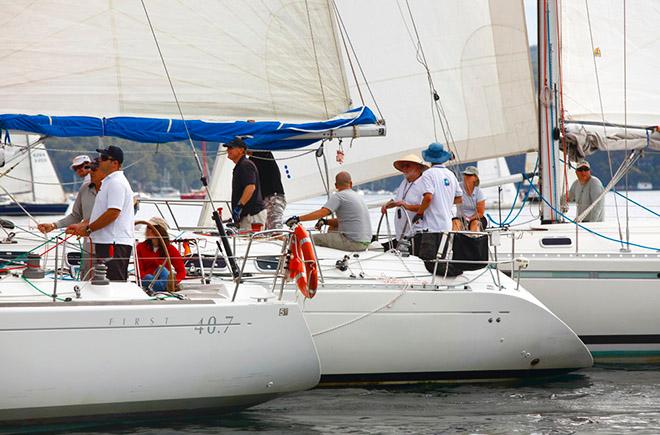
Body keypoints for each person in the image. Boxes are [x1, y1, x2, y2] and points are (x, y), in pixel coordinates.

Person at [67, 146, 135, 281]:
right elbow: (103, 213)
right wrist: (84, 226)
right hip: (107, 243)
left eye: (104, 158)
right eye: (99, 157)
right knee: (104, 283)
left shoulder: (116, 183)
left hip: (113, 244)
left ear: (115, 163)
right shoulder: (108, 182)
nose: (99, 161)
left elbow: (113, 213)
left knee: (114, 284)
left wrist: (88, 229)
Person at [39, 158, 106, 279]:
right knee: (86, 279)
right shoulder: (85, 188)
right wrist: (54, 225)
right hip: (89, 245)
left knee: (110, 282)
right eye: (88, 169)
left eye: (92, 169)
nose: (88, 172)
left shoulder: (113, 188)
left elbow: (116, 214)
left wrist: (87, 225)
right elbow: (76, 215)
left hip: (110, 244)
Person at [285, 171, 372, 251]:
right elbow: (347, 220)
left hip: (353, 243)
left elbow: (322, 212)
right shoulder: (357, 196)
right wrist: (325, 221)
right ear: (351, 183)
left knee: (307, 239)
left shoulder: (339, 196)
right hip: (365, 242)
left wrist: (298, 219)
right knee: (332, 228)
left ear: (336, 185)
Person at [412, 142, 463, 273]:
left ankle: (454, 272)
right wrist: (444, 201)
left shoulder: (428, 174)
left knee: (427, 262)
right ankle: (451, 274)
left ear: (429, 158)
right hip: (446, 225)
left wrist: (420, 212)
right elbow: (459, 198)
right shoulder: (451, 175)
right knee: (441, 258)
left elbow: (428, 197)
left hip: (432, 227)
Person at [381, 154, 428, 244]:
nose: (405, 168)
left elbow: (426, 207)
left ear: (418, 167)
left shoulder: (424, 184)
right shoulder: (404, 182)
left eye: (408, 165)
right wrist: (387, 205)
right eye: (403, 166)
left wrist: (406, 206)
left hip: (416, 233)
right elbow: (396, 200)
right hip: (402, 234)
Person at [224, 138, 267, 230]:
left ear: (241, 150)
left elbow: (250, 187)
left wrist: (239, 207)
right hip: (248, 215)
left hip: (252, 215)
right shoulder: (241, 165)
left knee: (251, 243)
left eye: (231, 148)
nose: (227, 150)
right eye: (227, 148)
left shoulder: (245, 165)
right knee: (247, 242)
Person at [135, 217, 186, 292]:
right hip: (147, 279)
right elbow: (139, 271)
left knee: (162, 269)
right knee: (148, 277)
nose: (148, 230)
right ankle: (165, 287)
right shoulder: (140, 247)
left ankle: (164, 285)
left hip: (164, 277)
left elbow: (181, 271)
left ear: (160, 230)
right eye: (148, 227)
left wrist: (174, 282)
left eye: (151, 227)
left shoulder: (170, 249)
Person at [249, 151, 286, 229]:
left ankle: (281, 238)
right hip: (267, 198)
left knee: (275, 230)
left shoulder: (263, 153)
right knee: (267, 231)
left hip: (273, 198)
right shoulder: (252, 159)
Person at [455, 166, 487, 231]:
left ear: (475, 178)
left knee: (475, 224)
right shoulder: (458, 187)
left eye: (469, 175)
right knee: (455, 223)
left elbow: (480, 212)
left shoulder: (479, 192)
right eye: (465, 174)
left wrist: (469, 219)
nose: (466, 177)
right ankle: (453, 240)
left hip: (476, 218)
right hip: (461, 218)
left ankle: (473, 239)